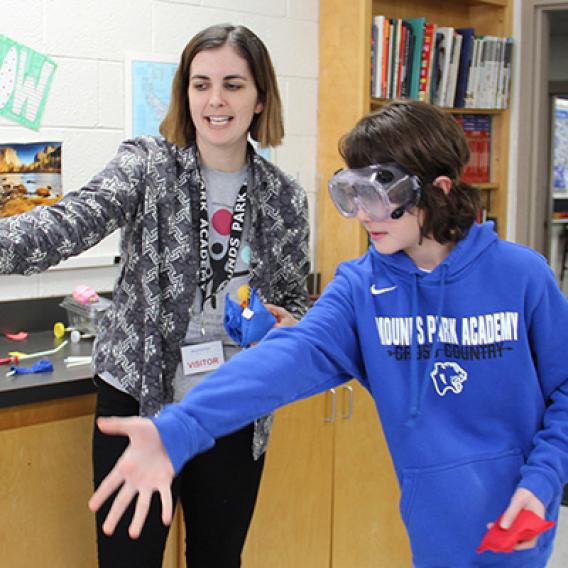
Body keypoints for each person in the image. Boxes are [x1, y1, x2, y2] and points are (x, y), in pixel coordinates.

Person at [89, 99, 568, 568]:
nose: (363, 214)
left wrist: (542, 482)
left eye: (378, 196)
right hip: (432, 534)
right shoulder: (362, 289)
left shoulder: (522, 276)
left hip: (520, 522)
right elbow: (283, 360)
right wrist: (179, 428)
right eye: (353, 194)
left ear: (437, 190)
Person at [0, 24, 310, 568]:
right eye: (200, 84)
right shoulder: (148, 164)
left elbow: (295, 301)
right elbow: (67, 223)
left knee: (218, 560)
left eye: (233, 85)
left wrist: (287, 322)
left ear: (260, 97)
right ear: (184, 93)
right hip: (138, 405)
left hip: (230, 410)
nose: (215, 100)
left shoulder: (283, 196)